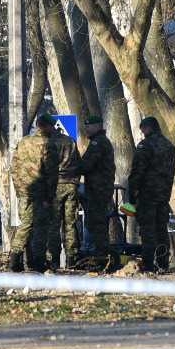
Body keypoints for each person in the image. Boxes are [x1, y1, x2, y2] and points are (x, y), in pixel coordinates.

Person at [9, 114, 61, 272]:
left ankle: (23, 260)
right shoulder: (48, 144)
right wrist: (50, 196)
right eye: (52, 126)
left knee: (26, 224)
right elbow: (51, 173)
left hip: (23, 191)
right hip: (40, 193)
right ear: (45, 126)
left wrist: (19, 189)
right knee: (37, 227)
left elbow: (14, 168)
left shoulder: (23, 142)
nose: (54, 129)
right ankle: (30, 259)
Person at [128, 116, 175, 272]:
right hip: (164, 195)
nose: (142, 133)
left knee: (148, 230)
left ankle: (149, 264)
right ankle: (163, 263)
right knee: (161, 229)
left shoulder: (145, 146)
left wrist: (132, 193)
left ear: (148, 128)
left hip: (147, 195)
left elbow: (137, 171)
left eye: (143, 130)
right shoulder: (170, 147)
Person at [76, 115, 117, 269]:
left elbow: (86, 165)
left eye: (89, 126)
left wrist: (73, 163)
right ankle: (99, 256)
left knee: (96, 224)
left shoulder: (98, 143)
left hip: (97, 191)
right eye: (86, 126)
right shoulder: (101, 142)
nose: (87, 129)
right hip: (100, 189)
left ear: (98, 126)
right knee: (96, 223)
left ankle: (99, 258)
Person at [48, 121, 83, 268]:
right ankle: (71, 259)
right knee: (70, 223)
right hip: (71, 185)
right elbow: (79, 164)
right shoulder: (70, 141)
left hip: (55, 185)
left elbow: (46, 165)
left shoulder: (49, 142)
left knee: (54, 224)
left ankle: (54, 259)